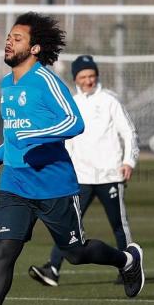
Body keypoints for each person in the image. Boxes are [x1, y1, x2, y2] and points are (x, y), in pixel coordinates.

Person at [0, 13, 144, 305]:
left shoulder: (46, 80)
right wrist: (1, 151)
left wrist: (33, 134)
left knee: (76, 253)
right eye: (9, 36)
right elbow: (17, 132)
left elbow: (73, 122)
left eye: (17, 37)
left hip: (54, 186)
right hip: (15, 184)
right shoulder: (5, 84)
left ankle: (127, 260)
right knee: (4, 252)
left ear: (35, 47)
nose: (9, 41)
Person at [28, 55, 139, 287]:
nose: (88, 81)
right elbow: (66, 139)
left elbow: (128, 132)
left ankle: (129, 267)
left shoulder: (110, 100)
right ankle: (53, 269)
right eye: (83, 77)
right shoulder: (71, 103)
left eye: (91, 76)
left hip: (110, 174)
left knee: (119, 225)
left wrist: (129, 161)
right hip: (79, 177)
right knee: (68, 225)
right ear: (76, 79)